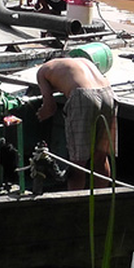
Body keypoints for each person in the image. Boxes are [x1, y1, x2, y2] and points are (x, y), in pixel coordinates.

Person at [35, 57, 117, 190]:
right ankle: (102, 200)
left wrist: (41, 114)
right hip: (108, 94)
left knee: (78, 162)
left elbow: (50, 108)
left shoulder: (42, 71)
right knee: (100, 157)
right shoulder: (82, 61)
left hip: (83, 96)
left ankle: (75, 204)